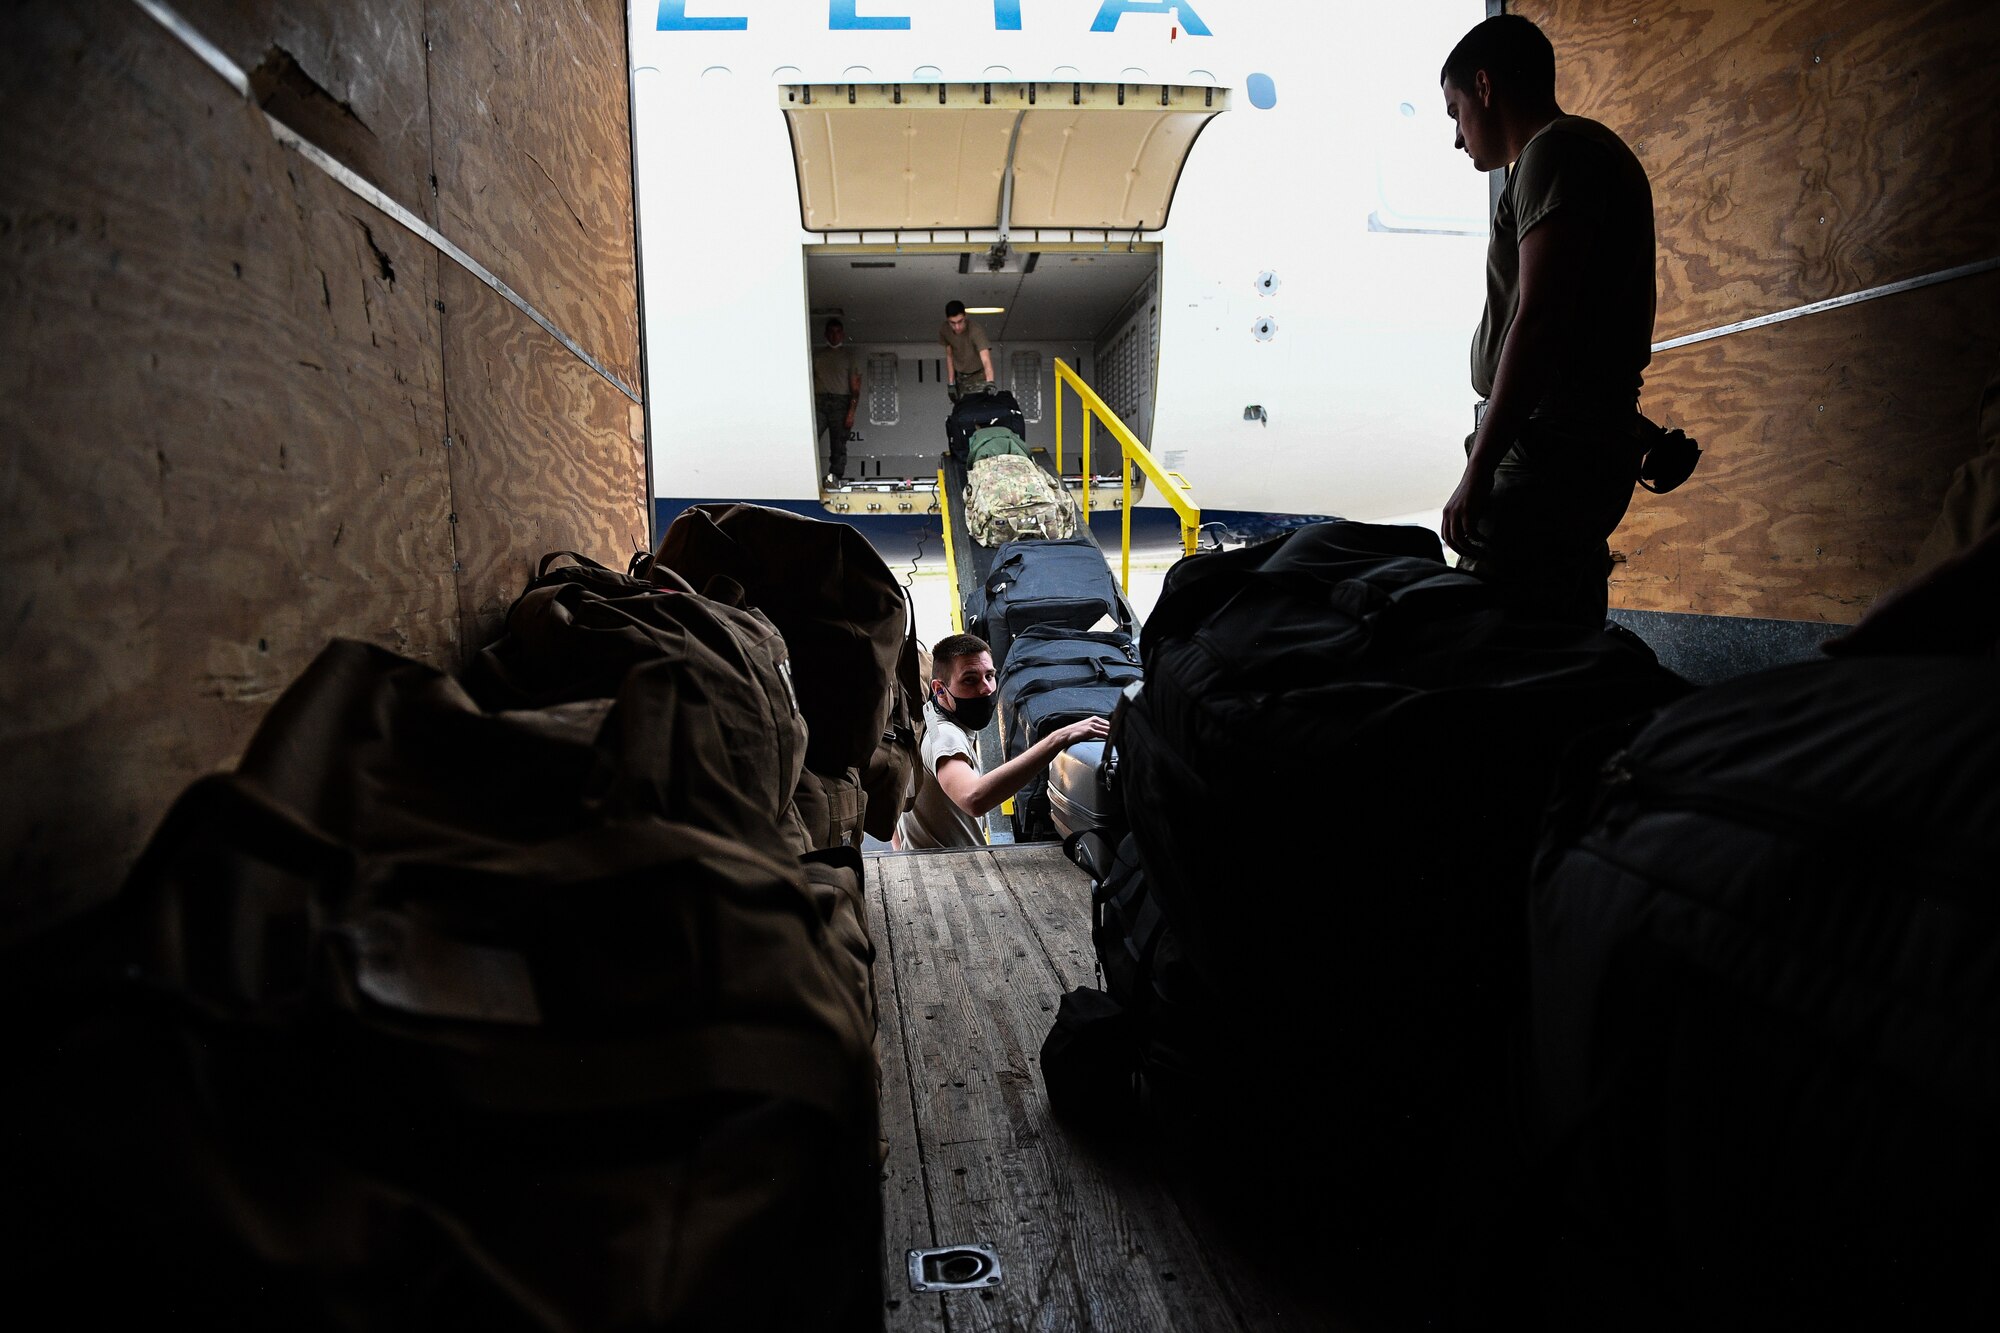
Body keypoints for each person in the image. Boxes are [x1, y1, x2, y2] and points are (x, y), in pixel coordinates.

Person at [1438, 14, 1657, 627]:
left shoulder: (1554, 152)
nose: (1458, 137)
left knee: (1484, 642)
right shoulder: (1581, 153)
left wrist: (1478, 471)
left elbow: (1540, 322)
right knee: (1559, 639)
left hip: (1545, 457)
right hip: (1567, 445)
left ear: (1485, 87)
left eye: (1455, 111)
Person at [894, 633, 1110, 849]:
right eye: (969, 679)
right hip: (952, 873)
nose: (986, 688)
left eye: (989, 676)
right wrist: (1057, 739)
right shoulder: (943, 736)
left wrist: (901, 848)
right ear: (939, 689)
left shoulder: (928, 716)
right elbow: (973, 799)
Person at [813, 317, 861, 485]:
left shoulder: (849, 357)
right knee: (811, 438)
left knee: (838, 443)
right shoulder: (817, 355)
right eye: (831, 332)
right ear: (826, 334)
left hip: (840, 403)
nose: (834, 336)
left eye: (838, 332)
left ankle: (835, 477)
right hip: (819, 402)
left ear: (842, 334)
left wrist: (851, 412)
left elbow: (855, 388)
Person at [938, 300, 996, 402]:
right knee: (963, 409)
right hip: (960, 376)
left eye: (960, 321)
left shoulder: (975, 330)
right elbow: (949, 356)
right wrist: (951, 384)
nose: (957, 327)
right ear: (948, 320)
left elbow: (986, 359)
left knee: (982, 406)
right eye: (952, 323)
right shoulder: (945, 330)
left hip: (979, 375)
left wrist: (990, 382)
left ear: (965, 317)